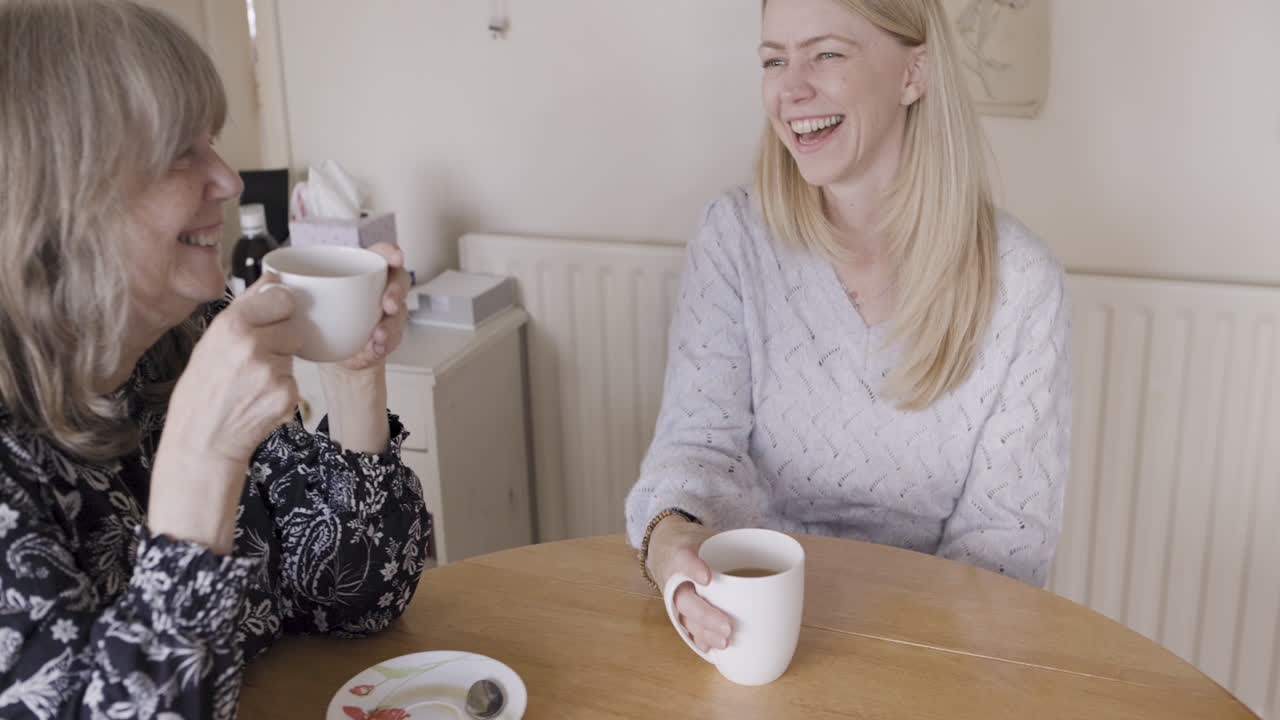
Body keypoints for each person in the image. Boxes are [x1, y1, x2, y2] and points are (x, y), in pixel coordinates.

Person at [0, 1, 431, 716]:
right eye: (181, 151)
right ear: (59, 199)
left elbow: (352, 593)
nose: (229, 179)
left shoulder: (186, 339)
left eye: (214, 142)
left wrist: (354, 372)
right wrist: (201, 459)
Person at [626, 0, 1070, 654]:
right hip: (751, 622)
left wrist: (888, 657)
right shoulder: (734, 237)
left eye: (827, 53)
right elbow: (696, 444)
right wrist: (670, 540)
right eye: (774, 59)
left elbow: (1006, 542)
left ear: (913, 74)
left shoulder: (1022, 282)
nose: (791, 87)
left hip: (934, 650)